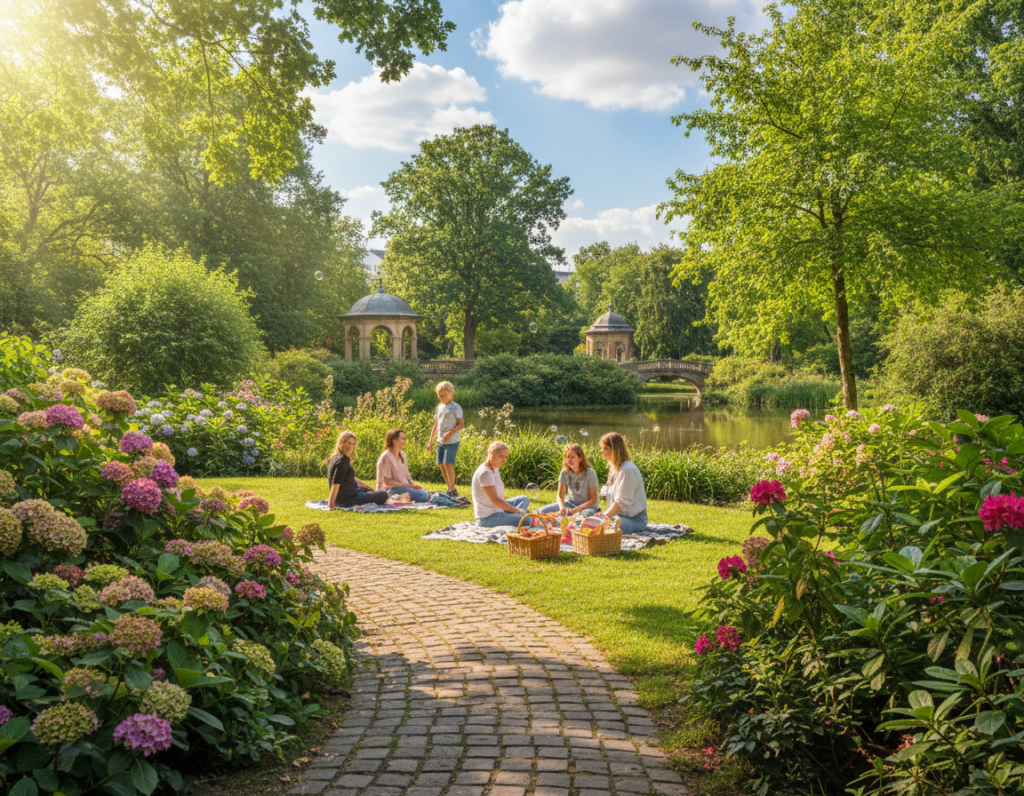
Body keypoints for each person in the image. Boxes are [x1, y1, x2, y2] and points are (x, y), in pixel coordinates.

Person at [472, 441, 532, 528]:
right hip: (488, 517)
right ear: (491, 454)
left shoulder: (495, 467)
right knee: (527, 520)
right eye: (500, 456)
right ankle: (515, 517)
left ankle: (512, 517)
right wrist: (518, 511)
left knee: (524, 499)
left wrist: (516, 511)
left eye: (505, 457)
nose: (504, 460)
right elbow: (496, 500)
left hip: (498, 509)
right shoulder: (485, 473)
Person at [599, 432, 648, 533]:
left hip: (635, 520)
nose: (602, 451)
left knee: (603, 525)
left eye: (606, 448)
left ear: (615, 450)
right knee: (591, 521)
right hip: (619, 516)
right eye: (602, 448)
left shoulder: (627, 470)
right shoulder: (614, 468)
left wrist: (603, 517)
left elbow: (620, 502)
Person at [327, 431, 388, 509]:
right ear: (341, 443)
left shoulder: (335, 457)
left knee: (369, 491)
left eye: (353, 444)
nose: (352, 446)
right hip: (349, 500)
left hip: (349, 495)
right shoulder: (343, 460)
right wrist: (331, 504)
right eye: (349, 443)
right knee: (384, 494)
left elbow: (343, 478)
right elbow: (335, 483)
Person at [539, 443, 599, 517]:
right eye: (568, 457)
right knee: (542, 511)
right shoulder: (565, 472)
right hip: (570, 504)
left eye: (573, 457)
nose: (569, 460)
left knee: (579, 517)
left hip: (587, 507)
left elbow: (593, 500)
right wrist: (562, 507)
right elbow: (560, 496)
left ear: (580, 458)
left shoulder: (590, 473)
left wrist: (576, 509)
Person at [427, 380, 464, 497]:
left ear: (451, 393)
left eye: (443, 395)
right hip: (440, 441)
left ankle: (453, 489)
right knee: (441, 463)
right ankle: (450, 488)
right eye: (439, 395)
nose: (441, 397)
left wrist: (449, 434)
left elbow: (461, 424)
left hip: (451, 441)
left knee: (448, 463)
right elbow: (436, 424)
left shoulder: (456, 407)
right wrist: (430, 441)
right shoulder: (439, 407)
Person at [376, 429, 430, 502]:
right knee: (423, 495)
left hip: (404, 488)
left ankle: (403, 498)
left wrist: (414, 486)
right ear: (394, 441)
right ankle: (395, 498)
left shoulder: (403, 454)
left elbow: (407, 476)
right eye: (403, 439)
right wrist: (409, 486)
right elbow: (387, 482)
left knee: (425, 493)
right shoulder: (386, 457)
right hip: (389, 491)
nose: (405, 441)